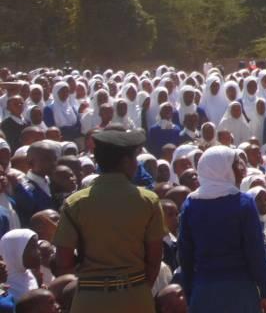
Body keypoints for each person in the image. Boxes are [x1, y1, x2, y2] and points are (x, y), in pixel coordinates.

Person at [52, 128, 166, 313]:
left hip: (89, 299)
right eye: (134, 159)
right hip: (135, 297)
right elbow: (154, 259)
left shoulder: (75, 203)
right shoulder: (148, 201)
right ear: (126, 162)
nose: (136, 164)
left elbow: (63, 261)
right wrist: (138, 289)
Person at [176, 145, 266, 313]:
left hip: (204, 291)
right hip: (240, 292)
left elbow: (185, 255)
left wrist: (189, 292)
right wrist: (265, 292)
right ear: (224, 169)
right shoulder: (244, 203)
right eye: (236, 165)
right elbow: (256, 253)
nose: (241, 169)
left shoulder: (190, 205)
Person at [13, 142, 59, 227]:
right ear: (30, 163)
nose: (53, 163)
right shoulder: (24, 189)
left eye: (55, 159)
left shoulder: (55, 182)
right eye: (47, 159)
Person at [0, 230, 40, 301]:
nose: (39, 252)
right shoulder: (3, 284)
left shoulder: (29, 275)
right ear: (15, 252)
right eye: (33, 247)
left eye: (37, 246)